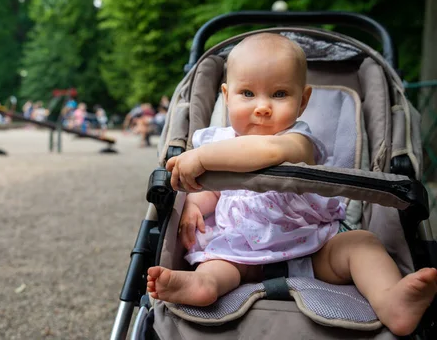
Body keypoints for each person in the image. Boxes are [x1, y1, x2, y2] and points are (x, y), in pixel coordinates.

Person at [146, 33, 437, 336]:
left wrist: (204, 159)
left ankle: (391, 299)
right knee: (215, 267)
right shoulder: (214, 141)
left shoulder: (299, 140)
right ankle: (203, 286)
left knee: (361, 243)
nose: (262, 107)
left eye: (279, 94)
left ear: (303, 101)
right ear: (226, 95)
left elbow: (267, 153)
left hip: (312, 248)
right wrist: (194, 203)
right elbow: (215, 192)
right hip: (239, 252)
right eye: (247, 93)